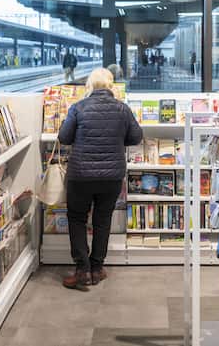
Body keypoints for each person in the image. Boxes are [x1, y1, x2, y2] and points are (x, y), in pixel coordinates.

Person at [58, 68, 142, 289]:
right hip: (112, 176)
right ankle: (97, 268)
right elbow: (136, 137)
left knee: (77, 218)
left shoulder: (78, 107)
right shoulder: (122, 109)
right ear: (111, 85)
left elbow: (64, 137)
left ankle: (82, 270)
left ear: (89, 85)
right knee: (102, 219)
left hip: (81, 175)